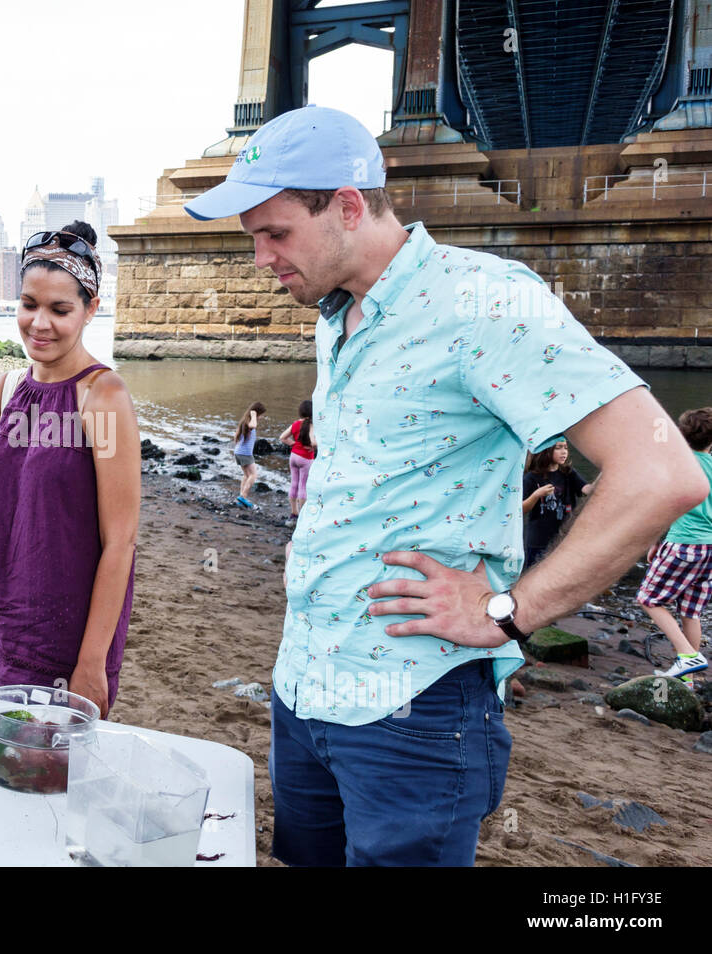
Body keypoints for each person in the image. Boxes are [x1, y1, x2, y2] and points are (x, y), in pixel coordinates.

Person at [186, 105, 708, 866]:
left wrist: (509, 611)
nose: (261, 258)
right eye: (252, 238)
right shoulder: (337, 311)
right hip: (302, 691)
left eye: (276, 233)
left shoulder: (486, 299)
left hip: (413, 714)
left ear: (350, 206)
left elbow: (662, 473)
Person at [0, 221, 140, 718]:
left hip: (68, 633)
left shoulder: (102, 397)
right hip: (0, 618)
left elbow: (120, 541)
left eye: (60, 310)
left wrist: (92, 661)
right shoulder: (6, 390)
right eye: (29, 304)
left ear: (90, 310)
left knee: (42, 776)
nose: (39, 323)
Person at [636, 407, 712, 683]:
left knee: (649, 599)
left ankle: (687, 655)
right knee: (690, 611)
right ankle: (686, 679)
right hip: (709, 549)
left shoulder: (678, 463)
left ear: (682, 434)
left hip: (684, 543)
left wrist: (656, 540)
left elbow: (663, 505)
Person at [521, 438, 593, 568]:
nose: (564, 452)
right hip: (539, 542)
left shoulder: (568, 473)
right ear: (546, 450)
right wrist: (537, 495)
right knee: (535, 575)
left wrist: (606, 476)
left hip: (566, 540)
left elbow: (587, 489)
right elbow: (521, 509)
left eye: (565, 448)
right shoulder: (531, 477)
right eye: (558, 448)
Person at [282, 399, 316, 522]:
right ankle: (302, 514)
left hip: (294, 456)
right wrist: (314, 447)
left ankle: (294, 512)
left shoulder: (296, 423)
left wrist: (294, 444)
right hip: (306, 458)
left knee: (294, 484)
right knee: (303, 486)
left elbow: (282, 438)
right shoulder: (312, 425)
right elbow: (314, 442)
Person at [234, 401, 265, 508]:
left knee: (247, 475)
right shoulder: (249, 422)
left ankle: (241, 496)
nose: (261, 417)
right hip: (245, 453)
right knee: (253, 475)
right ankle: (243, 496)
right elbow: (254, 425)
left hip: (239, 452)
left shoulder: (243, 422)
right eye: (261, 414)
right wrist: (254, 415)